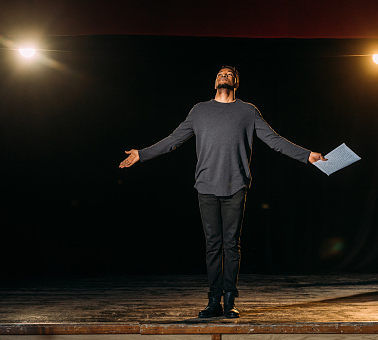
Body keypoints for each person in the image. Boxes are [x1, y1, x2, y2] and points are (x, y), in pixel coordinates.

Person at [119, 66, 327, 318]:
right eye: (220, 73)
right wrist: (142, 154)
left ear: (236, 82)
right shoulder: (199, 110)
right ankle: (213, 299)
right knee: (212, 245)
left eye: (229, 74)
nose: (224, 75)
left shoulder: (248, 111)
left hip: (235, 185)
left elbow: (274, 140)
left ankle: (230, 299)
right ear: (214, 81)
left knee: (231, 244)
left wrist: (307, 156)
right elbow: (174, 139)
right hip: (206, 185)